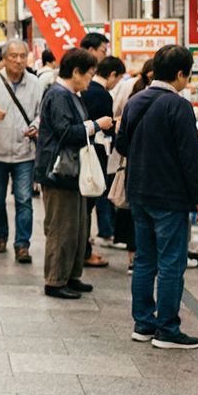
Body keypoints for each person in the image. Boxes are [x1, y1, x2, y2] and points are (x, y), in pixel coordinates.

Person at [115, 45, 198, 349]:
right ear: (181, 74)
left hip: (138, 192)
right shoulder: (178, 106)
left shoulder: (135, 100)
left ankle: (143, 323)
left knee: (144, 260)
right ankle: (167, 329)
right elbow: (190, 158)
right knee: (170, 263)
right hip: (169, 197)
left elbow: (122, 143)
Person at [36, 48, 113, 299]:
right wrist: (95, 125)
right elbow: (65, 131)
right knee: (62, 227)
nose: (90, 81)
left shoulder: (73, 94)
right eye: (89, 75)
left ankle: (70, 275)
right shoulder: (58, 95)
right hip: (60, 172)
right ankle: (55, 280)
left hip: (74, 172)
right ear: (76, 72)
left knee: (77, 227)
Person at [0, 40, 43, 262]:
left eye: (23, 56)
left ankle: (22, 244)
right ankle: (0, 236)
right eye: (13, 56)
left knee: (24, 199)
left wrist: (36, 126)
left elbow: (43, 113)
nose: (19, 60)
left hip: (25, 153)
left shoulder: (35, 83)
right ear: (4, 58)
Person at [110, 59, 154, 274]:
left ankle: (133, 258)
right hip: (146, 166)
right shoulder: (171, 100)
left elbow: (119, 129)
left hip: (130, 162)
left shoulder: (130, 90)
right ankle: (141, 259)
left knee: (131, 211)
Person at [84, 56, 126, 266]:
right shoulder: (101, 95)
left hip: (86, 150)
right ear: (112, 75)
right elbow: (105, 127)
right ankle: (85, 252)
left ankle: (83, 249)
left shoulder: (86, 89)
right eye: (117, 79)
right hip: (96, 151)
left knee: (86, 203)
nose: (116, 83)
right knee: (90, 200)